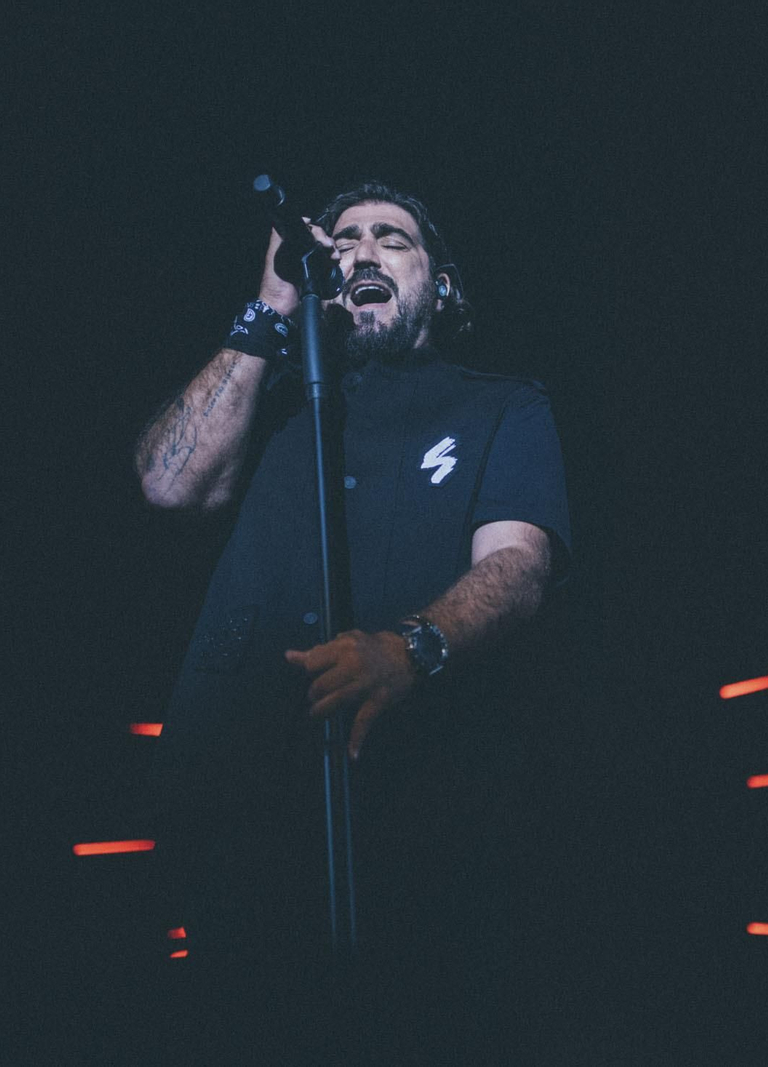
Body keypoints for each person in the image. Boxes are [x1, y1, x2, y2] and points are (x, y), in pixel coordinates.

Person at [133, 181, 571, 1062]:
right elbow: (169, 482)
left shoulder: (501, 407)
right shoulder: (268, 404)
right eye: (344, 241)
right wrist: (270, 304)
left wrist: (410, 648)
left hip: (412, 828)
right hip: (240, 823)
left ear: (441, 285)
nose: (362, 251)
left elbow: (518, 567)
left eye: (391, 238)